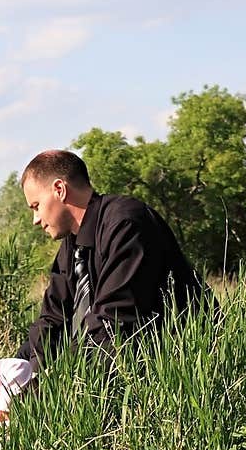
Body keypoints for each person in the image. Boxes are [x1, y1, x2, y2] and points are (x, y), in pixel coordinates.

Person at [18, 149, 207, 366]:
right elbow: (53, 321)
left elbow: (112, 326)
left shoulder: (127, 225)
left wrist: (48, 384)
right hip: (122, 363)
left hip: (181, 365)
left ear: (59, 189)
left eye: (36, 206)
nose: (35, 219)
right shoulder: (72, 246)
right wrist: (11, 373)